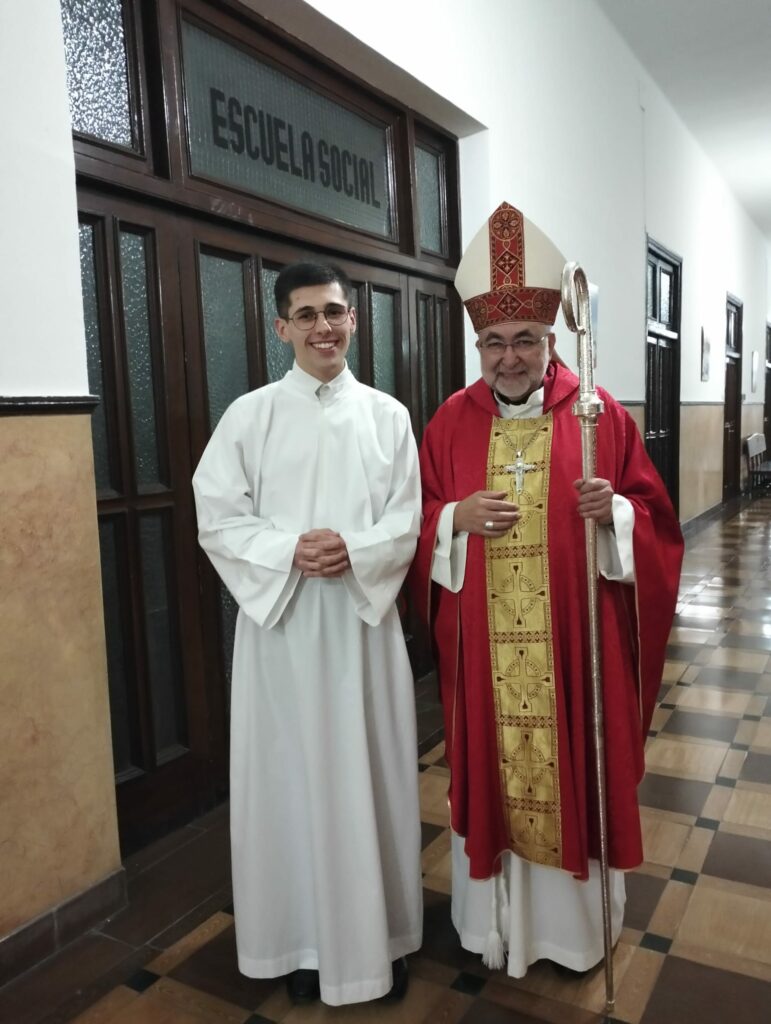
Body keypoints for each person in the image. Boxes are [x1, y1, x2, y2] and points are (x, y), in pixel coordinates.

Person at [410, 201, 683, 978]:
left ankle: (572, 933)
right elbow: (420, 521)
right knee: (492, 770)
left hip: (573, 645)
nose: (508, 357)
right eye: (492, 342)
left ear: (550, 340)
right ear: (477, 345)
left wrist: (617, 515)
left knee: (576, 767)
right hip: (485, 659)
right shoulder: (447, 423)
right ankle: (490, 927)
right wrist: (452, 519)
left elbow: (657, 525)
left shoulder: (599, 418)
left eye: (523, 339)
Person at [192, 261, 423, 1006]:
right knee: (285, 784)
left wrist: (353, 551)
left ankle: (378, 943)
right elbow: (217, 517)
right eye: (307, 314)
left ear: (354, 320)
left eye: (335, 312)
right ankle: (295, 942)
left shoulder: (387, 416)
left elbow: (406, 519)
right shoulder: (249, 415)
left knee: (372, 776)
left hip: (361, 623)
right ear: (281, 326)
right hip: (283, 629)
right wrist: (288, 550)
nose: (324, 326)